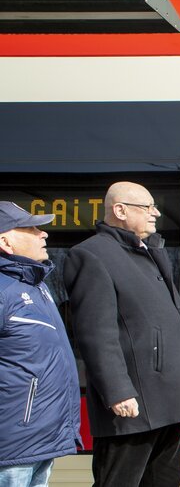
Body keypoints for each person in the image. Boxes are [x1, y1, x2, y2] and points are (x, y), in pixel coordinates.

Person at [64, 182, 180, 486]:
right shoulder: (91, 255)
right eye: (148, 207)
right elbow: (96, 332)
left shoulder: (151, 253)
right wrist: (118, 390)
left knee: (165, 480)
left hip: (168, 399)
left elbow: (174, 324)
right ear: (120, 210)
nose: (156, 213)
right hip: (133, 401)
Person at [0, 202, 80, 486]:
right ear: (5, 241)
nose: (43, 234)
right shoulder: (4, 290)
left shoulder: (37, 287)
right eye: (31, 228)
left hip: (38, 442)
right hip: (11, 449)